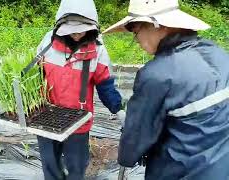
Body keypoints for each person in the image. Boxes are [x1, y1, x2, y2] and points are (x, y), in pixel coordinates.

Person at [103, 0, 229, 179]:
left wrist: (126, 151)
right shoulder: (218, 53)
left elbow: (133, 145)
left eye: (136, 31)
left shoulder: (157, 74)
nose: (136, 39)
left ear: (158, 26)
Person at [36, 0, 124, 179]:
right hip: (47, 115)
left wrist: (119, 109)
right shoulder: (48, 42)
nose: (76, 35)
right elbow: (34, 75)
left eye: (81, 30)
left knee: (76, 168)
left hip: (78, 120)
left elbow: (105, 85)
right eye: (71, 30)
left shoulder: (98, 49)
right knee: (50, 166)